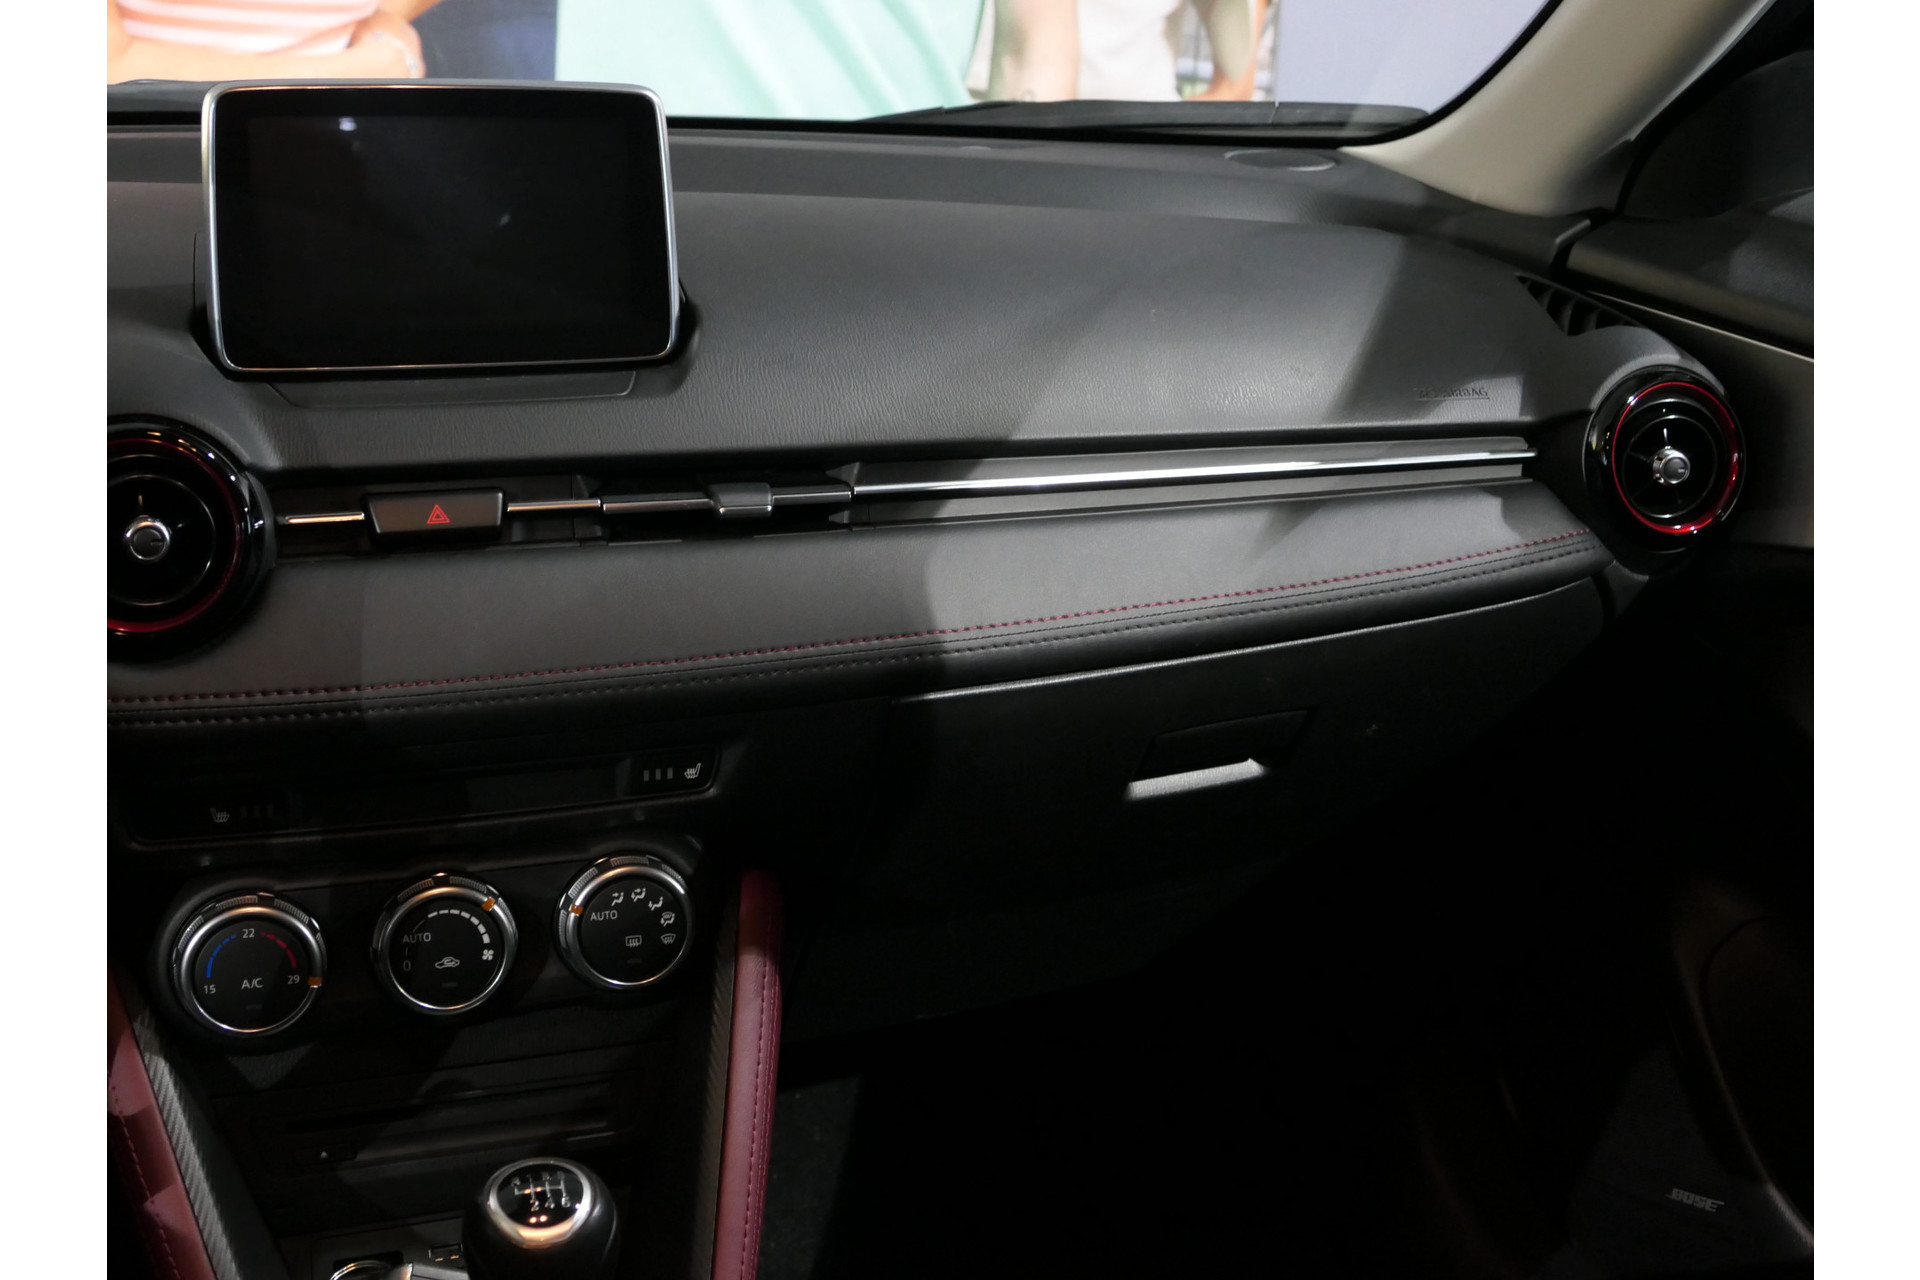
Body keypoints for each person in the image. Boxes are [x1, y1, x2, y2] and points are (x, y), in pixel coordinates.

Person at [107, 0, 442, 83]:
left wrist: (380, 16)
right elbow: (106, 65)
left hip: (340, 132)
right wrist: (355, 73)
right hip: (149, 138)